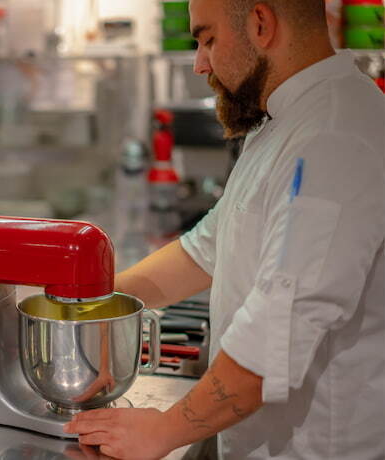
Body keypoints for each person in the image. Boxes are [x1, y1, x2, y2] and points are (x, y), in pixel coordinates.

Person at [63, 0, 385, 458]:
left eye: (208, 39)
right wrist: (96, 306)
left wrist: (161, 431)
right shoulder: (284, 122)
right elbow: (206, 247)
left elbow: (276, 331)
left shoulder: (333, 137)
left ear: (260, 23)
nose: (199, 63)